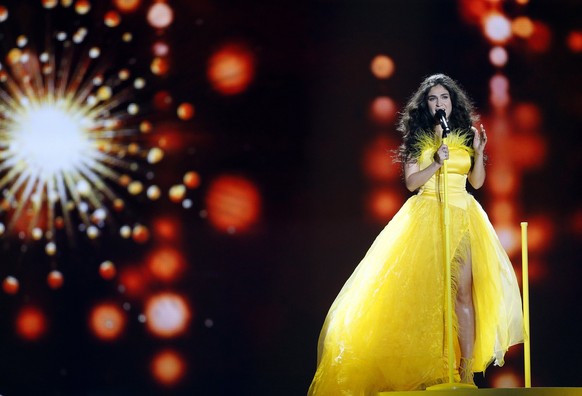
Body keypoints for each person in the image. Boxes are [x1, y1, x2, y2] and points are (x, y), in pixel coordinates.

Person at [308, 74, 524, 395]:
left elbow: (476, 183)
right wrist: (436, 160)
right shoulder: (418, 137)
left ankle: (465, 373)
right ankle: (433, 370)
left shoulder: (465, 136)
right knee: (430, 297)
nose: (440, 104)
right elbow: (411, 182)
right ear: (426, 105)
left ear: (454, 103)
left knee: (463, 293)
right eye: (434, 99)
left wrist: (478, 153)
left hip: (463, 214)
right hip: (428, 215)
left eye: (445, 98)